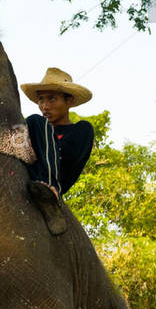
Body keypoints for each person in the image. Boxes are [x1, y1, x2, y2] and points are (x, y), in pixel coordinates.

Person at [20, 68, 95, 235]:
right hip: (30, 175)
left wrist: (44, 137)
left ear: (69, 102)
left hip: (56, 180)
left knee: (35, 120)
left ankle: (49, 191)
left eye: (52, 99)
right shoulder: (36, 129)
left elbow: (68, 157)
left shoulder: (81, 131)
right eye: (41, 100)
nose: (45, 106)